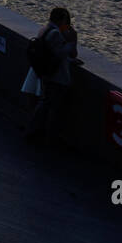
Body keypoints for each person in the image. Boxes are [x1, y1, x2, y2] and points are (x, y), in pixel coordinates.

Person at [23, 8, 82, 147]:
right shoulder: (55, 33)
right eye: (66, 21)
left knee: (45, 104)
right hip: (56, 77)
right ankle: (47, 137)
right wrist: (72, 41)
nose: (66, 24)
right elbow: (61, 53)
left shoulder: (44, 29)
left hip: (46, 74)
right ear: (61, 19)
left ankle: (34, 131)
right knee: (52, 108)